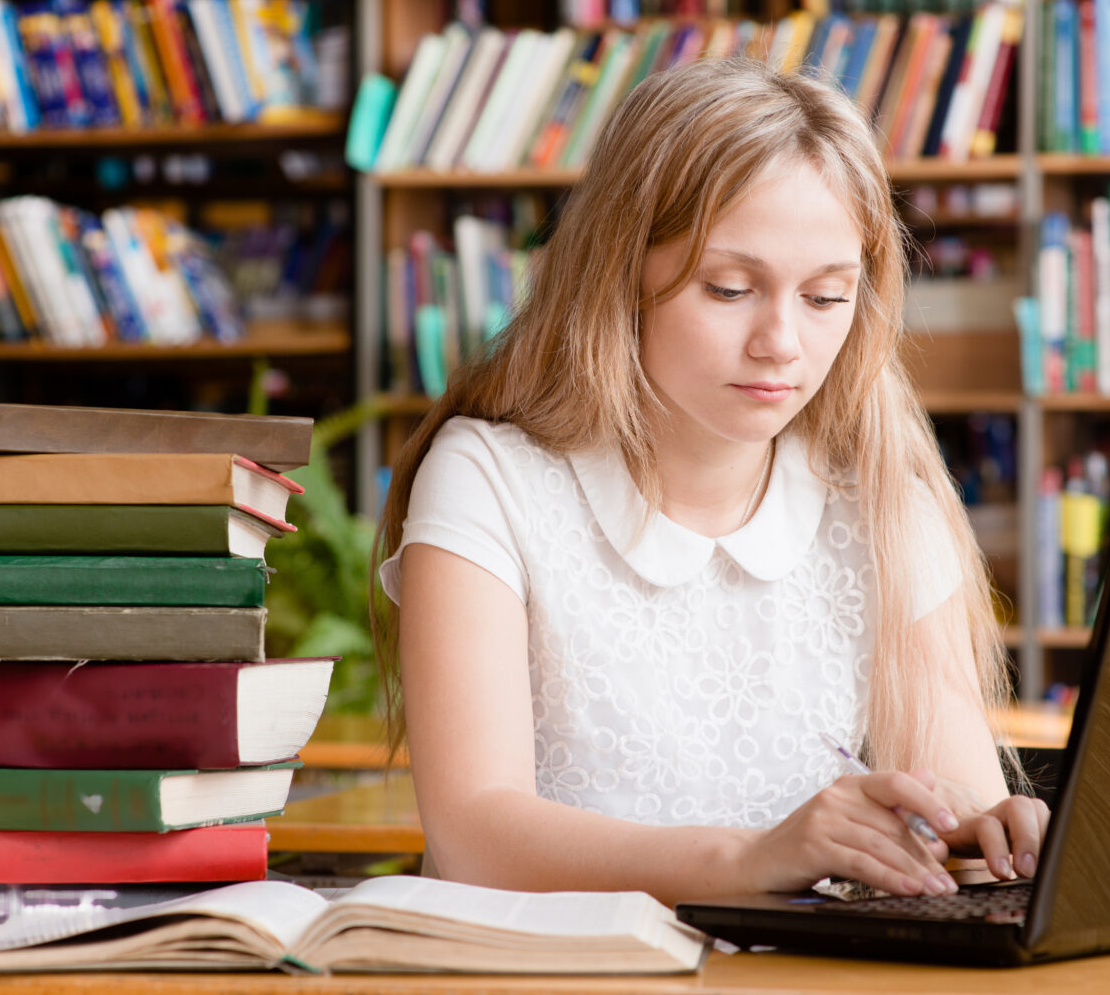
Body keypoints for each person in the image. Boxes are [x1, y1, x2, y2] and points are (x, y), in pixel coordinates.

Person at [373, 58, 1049, 906]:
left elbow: (957, 809)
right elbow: (474, 833)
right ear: (621, 274)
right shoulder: (489, 480)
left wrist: (991, 834)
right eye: (729, 289)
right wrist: (745, 861)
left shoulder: (882, 500)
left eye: (826, 297)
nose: (782, 342)